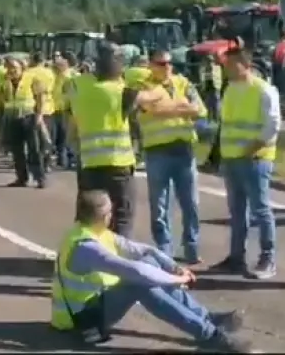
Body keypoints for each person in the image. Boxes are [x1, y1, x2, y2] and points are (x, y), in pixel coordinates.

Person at [50, 190, 254, 353]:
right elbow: (137, 272)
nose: (112, 215)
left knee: (148, 263)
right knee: (140, 286)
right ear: (103, 216)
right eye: (110, 211)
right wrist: (176, 279)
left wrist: (173, 266)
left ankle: (207, 318)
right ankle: (210, 336)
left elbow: (144, 251)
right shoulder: (85, 247)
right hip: (81, 320)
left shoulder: (92, 232)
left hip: (96, 304)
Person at [65, 44, 189, 238]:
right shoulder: (121, 91)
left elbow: (72, 121)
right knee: (121, 217)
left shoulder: (78, 85)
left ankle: (82, 253)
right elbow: (151, 97)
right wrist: (162, 81)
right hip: (118, 165)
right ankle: (117, 258)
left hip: (89, 163)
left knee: (88, 215)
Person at [208, 47, 280, 280]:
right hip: (232, 159)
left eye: (230, 65)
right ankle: (236, 258)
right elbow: (226, 126)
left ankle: (268, 258)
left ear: (245, 65)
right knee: (237, 212)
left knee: (261, 209)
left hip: (254, 160)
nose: (226, 69)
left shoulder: (264, 90)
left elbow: (272, 125)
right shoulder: (230, 90)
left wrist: (252, 149)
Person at [139, 49, 207, 264]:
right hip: (157, 150)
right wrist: (181, 107)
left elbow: (200, 110)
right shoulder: (144, 87)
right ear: (151, 65)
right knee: (159, 205)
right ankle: (164, 249)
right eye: (161, 63)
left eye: (169, 63)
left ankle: (191, 247)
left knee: (191, 203)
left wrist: (166, 108)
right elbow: (147, 111)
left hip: (183, 149)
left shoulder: (183, 83)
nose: (167, 67)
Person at [0, 57, 45, 187]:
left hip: (28, 116)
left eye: (14, 67)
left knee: (34, 149)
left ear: (22, 68)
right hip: (12, 118)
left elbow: (40, 97)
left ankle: (39, 177)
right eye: (8, 67)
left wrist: (39, 115)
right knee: (17, 150)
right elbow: (2, 97)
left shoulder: (31, 78)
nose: (11, 70)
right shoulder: (5, 81)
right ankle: (21, 177)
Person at [51, 53, 78, 170]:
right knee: (58, 136)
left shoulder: (72, 77)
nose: (56, 68)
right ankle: (62, 160)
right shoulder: (54, 76)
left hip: (66, 110)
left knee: (65, 136)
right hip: (54, 109)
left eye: (59, 66)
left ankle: (67, 160)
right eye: (55, 66)